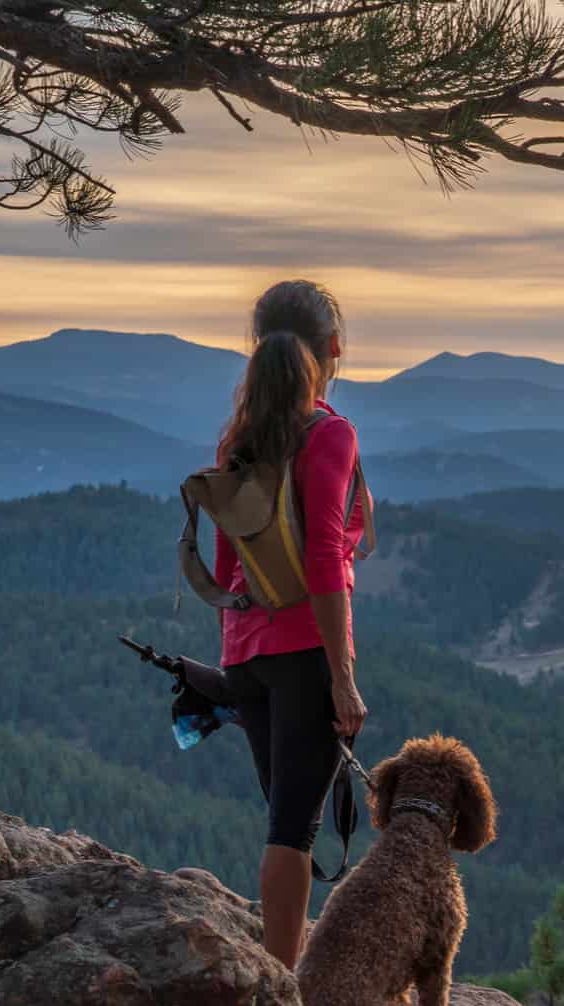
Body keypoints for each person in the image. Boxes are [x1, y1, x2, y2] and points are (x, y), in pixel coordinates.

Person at [213, 280, 370, 967]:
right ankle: (284, 999)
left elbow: (225, 570)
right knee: (294, 830)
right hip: (305, 653)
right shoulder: (328, 433)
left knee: (285, 817)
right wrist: (343, 677)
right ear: (334, 348)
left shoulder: (240, 438)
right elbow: (327, 558)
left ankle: (280, 980)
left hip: (246, 655)